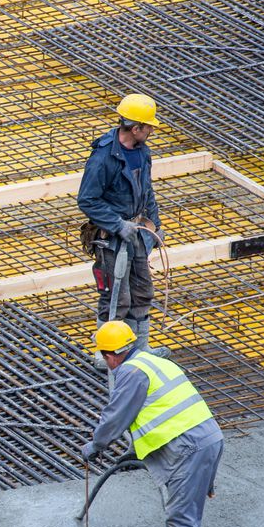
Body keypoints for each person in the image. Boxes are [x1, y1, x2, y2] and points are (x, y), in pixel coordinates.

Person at [81, 320, 224, 527]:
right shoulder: (155, 362)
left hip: (188, 447)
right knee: (185, 507)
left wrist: (95, 446)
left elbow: (116, 417)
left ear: (110, 356)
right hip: (209, 438)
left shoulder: (131, 373)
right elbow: (160, 410)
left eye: (104, 356)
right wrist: (136, 452)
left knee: (180, 513)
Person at [77, 93, 170, 360]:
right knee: (115, 296)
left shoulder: (142, 152)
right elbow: (87, 199)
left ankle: (140, 350)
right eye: (148, 126)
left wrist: (155, 226)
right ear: (134, 127)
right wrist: (117, 224)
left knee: (142, 290)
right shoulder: (104, 158)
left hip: (138, 234)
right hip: (113, 239)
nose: (152, 130)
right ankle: (104, 353)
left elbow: (147, 190)